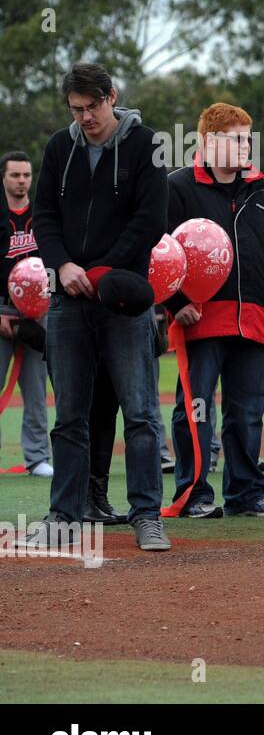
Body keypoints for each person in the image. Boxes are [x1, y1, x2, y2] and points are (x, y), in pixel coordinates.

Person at [28, 62, 170, 551]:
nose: (84, 117)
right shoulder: (58, 147)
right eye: (76, 109)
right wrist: (62, 265)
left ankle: (147, 514)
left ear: (112, 97)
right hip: (66, 298)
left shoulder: (145, 143)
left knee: (141, 412)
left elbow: (151, 219)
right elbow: (44, 214)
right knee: (69, 415)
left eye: (92, 107)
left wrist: (102, 270)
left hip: (123, 297)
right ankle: (63, 516)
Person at [164, 102, 264, 519]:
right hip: (201, 317)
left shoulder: (261, 190)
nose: (245, 146)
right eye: (235, 139)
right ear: (207, 142)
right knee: (196, 407)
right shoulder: (177, 187)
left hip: (258, 319)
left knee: (246, 413)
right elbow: (160, 250)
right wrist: (175, 302)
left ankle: (245, 494)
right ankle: (194, 494)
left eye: (247, 138)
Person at [0, 150, 53, 479]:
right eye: (15, 175)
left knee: (36, 389)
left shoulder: (43, 215)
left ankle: (37, 458)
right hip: (3, 309)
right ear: (3, 177)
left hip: (40, 310)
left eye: (26, 175)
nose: (21, 181)